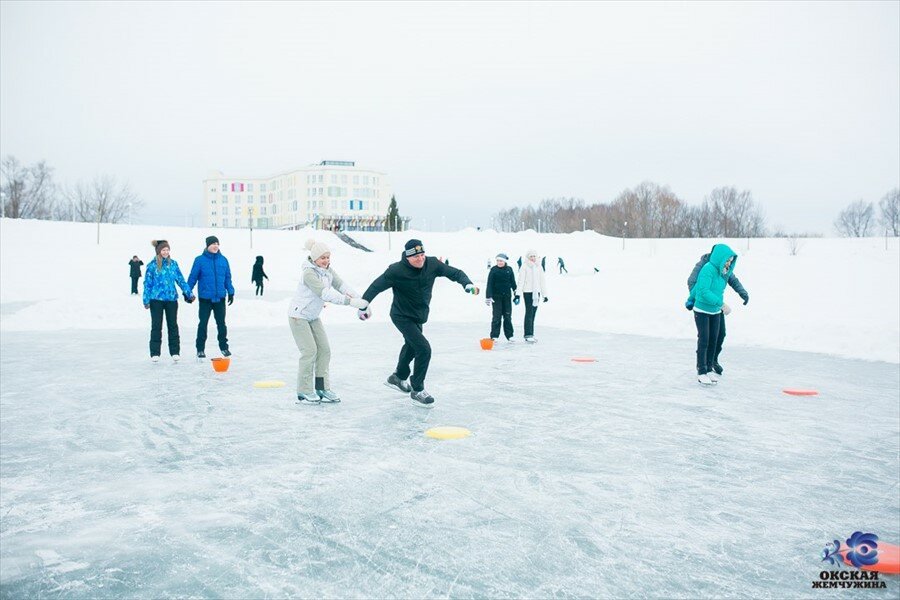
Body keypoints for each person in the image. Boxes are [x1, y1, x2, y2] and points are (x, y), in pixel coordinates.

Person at [359, 238, 479, 407]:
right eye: (416, 256)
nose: (420, 259)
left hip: (418, 315)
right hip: (401, 315)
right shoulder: (396, 271)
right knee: (423, 349)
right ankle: (417, 389)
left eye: (422, 254)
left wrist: (467, 284)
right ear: (407, 257)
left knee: (412, 345)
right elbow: (375, 286)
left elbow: (455, 273)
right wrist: (363, 305)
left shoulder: (432, 264)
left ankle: (397, 377)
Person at [288, 239, 368, 405]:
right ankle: (304, 391)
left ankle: (322, 388)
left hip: (313, 316)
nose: (326, 260)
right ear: (314, 258)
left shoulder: (328, 271)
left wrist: (362, 301)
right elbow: (324, 293)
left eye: (328, 257)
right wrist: (350, 302)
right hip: (298, 316)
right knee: (309, 351)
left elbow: (342, 286)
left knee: (324, 350)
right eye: (322, 258)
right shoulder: (309, 273)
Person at [686, 245, 749, 381]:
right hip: (704, 305)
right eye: (727, 260)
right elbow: (694, 283)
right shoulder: (705, 266)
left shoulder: (724, 268)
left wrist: (742, 293)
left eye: (730, 260)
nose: (729, 263)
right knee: (705, 339)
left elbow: (733, 280)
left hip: (715, 307)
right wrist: (693, 298)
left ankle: (711, 362)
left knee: (718, 336)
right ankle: (702, 368)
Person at [143, 240, 194, 362]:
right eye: (163, 250)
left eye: (167, 250)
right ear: (158, 251)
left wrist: (189, 293)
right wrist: (146, 299)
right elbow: (147, 284)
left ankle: (175, 352)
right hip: (156, 300)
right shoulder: (152, 266)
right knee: (156, 325)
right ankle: (155, 353)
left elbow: (180, 280)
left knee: (173, 325)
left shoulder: (173, 264)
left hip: (171, 299)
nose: (166, 252)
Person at [187, 235, 235, 359]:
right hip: (205, 299)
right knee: (203, 324)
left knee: (221, 324)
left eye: (217, 244)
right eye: (213, 244)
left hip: (220, 298)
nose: (215, 246)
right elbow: (193, 277)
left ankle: (224, 347)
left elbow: (227, 278)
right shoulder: (199, 260)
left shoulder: (223, 260)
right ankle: (200, 349)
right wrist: (187, 292)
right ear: (207, 246)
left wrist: (230, 291)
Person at [516, 249, 549, 343]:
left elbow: (542, 281)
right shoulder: (524, 266)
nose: (533, 258)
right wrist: (518, 294)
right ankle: (528, 334)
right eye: (531, 256)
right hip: (527, 292)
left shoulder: (539, 266)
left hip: (536, 293)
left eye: (534, 256)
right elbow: (521, 281)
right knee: (529, 312)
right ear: (528, 257)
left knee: (533, 313)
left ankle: (531, 334)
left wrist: (545, 295)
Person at [486, 253, 517, 342]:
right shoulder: (493, 270)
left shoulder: (509, 269)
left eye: (501, 261)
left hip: (507, 297)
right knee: (497, 317)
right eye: (498, 261)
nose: (499, 262)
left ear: (505, 261)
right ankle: (494, 335)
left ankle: (510, 335)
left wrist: (516, 293)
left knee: (507, 316)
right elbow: (489, 284)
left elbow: (513, 282)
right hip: (496, 297)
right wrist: (488, 296)